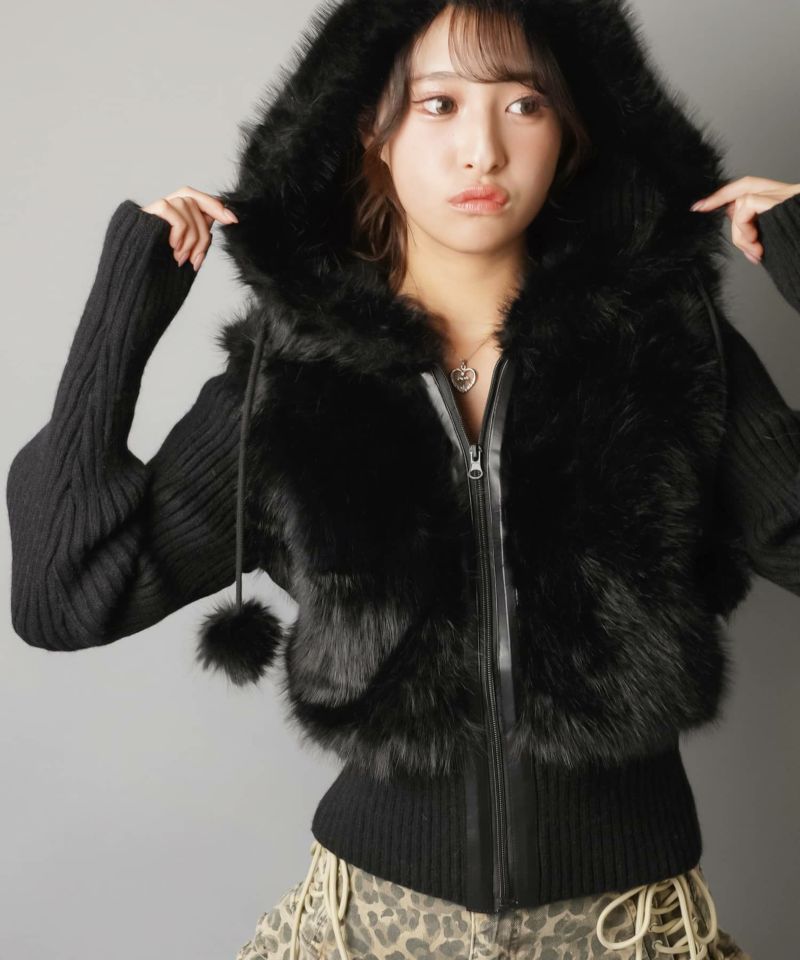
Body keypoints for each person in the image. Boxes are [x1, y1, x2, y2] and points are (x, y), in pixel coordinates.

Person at [7, 1, 800, 958]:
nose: (483, 151)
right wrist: (120, 318)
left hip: (626, 929)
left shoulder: (669, 352)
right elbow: (63, 599)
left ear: (571, 131)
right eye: (438, 105)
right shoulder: (291, 378)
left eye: (525, 105)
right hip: (369, 928)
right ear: (371, 130)